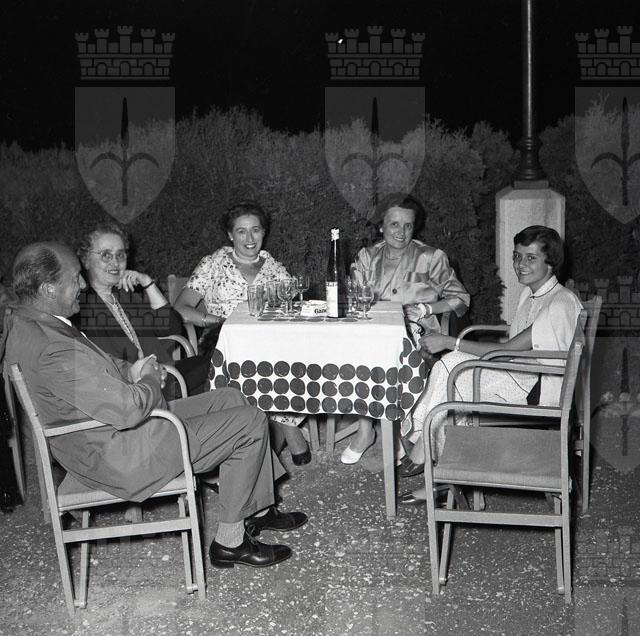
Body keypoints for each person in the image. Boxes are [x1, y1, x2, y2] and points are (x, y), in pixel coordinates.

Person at [1, 242, 308, 567]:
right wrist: (148, 378)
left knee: (230, 397)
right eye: (75, 277)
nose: (82, 284)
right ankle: (230, 542)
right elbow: (129, 409)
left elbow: (99, 369)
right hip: (120, 455)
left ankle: (256, 510)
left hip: (109, 434)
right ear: (49, 288)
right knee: (250, 421)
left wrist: (133, 369)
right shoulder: (53, 348)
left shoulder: (31, 322)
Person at [400, 225, 583, 504]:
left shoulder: (558, 303)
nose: (520, 264)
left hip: (539, 389)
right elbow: (514, 343)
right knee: (453, 368)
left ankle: (432, 458)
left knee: (454, 368)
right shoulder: (532, 293)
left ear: (551, 262)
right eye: (517, 256)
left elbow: (507, 350)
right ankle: (437, 461)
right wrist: (457, 347)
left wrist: (450, 341)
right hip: (522, 373)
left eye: (531, 258)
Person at [174, 201, 311, 465]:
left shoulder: (274, 267)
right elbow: (181, 307)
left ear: (264, 232)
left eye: (255, 230)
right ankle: (287, 429)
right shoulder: (213, 264)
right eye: (241, 231)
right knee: (267, 362)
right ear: (230, 235)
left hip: (268, 338)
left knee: (287, 354)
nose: (249, 238)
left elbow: (292, 307)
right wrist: (215, 320)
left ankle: (269, 437)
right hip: (223, 339)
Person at [341, 193, 470, 466]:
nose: (401, 232)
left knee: (388, 356)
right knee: (358, 352)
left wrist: (426, 309)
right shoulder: (366, 257)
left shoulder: (431, 257)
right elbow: (355, 297)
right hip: (374, 331)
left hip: (417, 334)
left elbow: (460, 299)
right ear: (381, 226)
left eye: (408, 225)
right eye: (394, 224)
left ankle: (398, 430)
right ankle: (366, 430)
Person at [75, 223, 210, 397]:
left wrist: (147, 283)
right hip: (135, 387)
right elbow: (107, 363)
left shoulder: (124, 295)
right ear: (86, 260)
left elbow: (172, 328)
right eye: (106, 255)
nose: (115, 262)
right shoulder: (82, 307)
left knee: (212, 363)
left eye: (120, 255)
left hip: (163, 372)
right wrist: (149, 374)